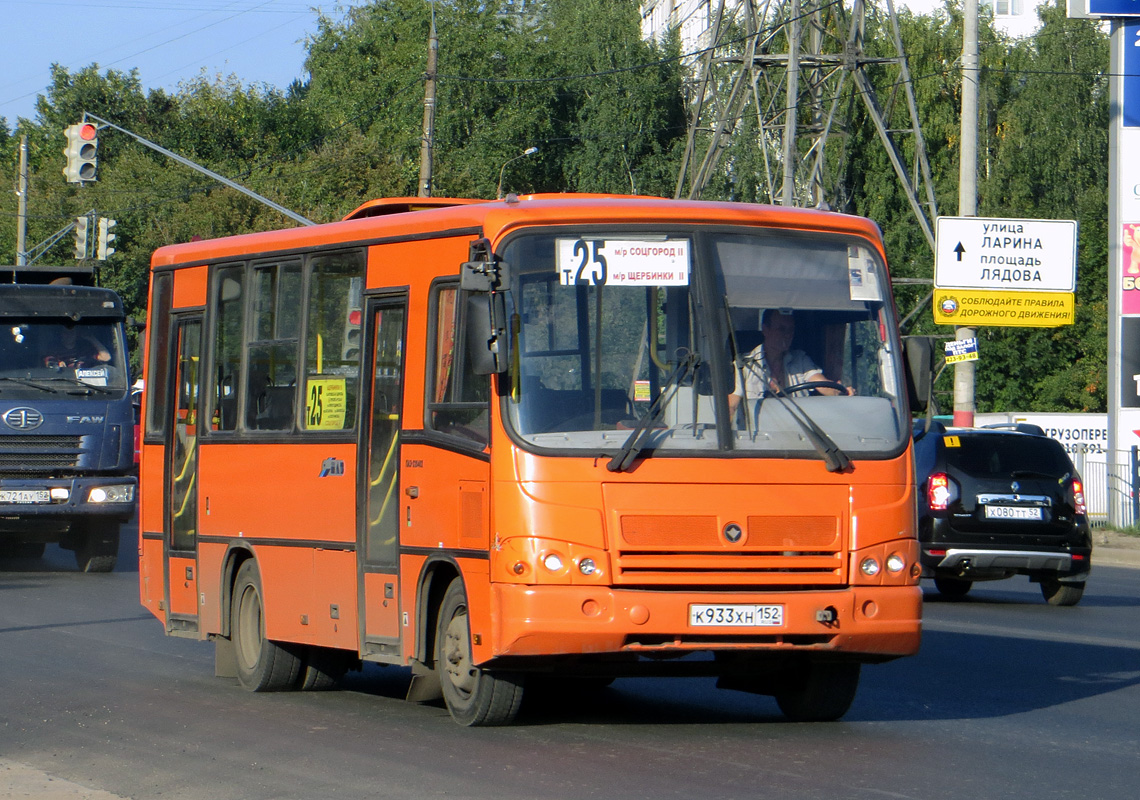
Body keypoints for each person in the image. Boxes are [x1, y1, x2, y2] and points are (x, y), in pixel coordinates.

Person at [728, 308, 852, 420]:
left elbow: (822, 384)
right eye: (781, 329)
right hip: (761, 434)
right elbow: (731, 405)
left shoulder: (800, 360)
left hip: (798, 432)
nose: (787, 335)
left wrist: (841, 391)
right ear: (766, 330)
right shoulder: (744, 366)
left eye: (791, 330)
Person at [42, 325, 112, 369]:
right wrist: (58, 364)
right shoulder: (54, 348)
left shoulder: (85, 348)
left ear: (76, 334)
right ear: (61, 334)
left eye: (71, 333)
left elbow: (106, 357)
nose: (68, 335)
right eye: (65, 333)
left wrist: (92, 338)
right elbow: (49, 363)